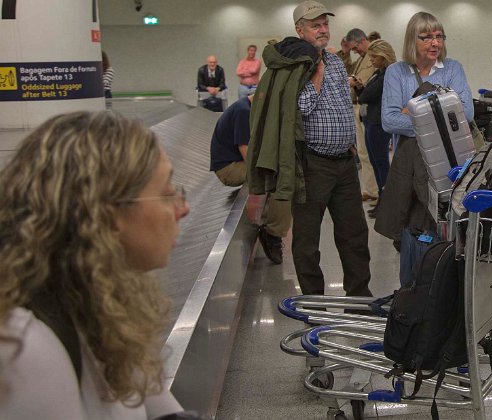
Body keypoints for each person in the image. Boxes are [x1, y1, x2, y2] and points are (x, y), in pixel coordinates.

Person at [0, 111, 190, 419]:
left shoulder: (97, 302)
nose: (183, 207)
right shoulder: (25, 350)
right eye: (167, 194)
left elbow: (162, 410)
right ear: (109, 213)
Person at [376, 11, 482, 250]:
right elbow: (389, 121)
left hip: (450, 166)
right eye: (426, 37)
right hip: (411, 169)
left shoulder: (453, 68)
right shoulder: (397, 72)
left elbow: (466, 114)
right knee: (414, 229)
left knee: (445, 226)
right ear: (412, 41)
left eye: (439, 36)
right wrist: (442, 114)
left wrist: (412, 112)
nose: (435, 43)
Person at [291, 0, 372, 297]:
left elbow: (341, 106)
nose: (323, 30)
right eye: (315, 25)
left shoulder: (337, 61)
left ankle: (359, 297)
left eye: (325, 24)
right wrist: (316, 76)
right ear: (300, 30)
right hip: (314, 164)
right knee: (307, 239)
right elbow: (299, 109)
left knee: (354, 235)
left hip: (345, 163)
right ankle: (313, 300)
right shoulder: (296, 65)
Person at [210, 95, 291, 264]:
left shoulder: (246, 107)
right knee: (281, 178)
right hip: (229, 169)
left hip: (234, 163)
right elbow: (248, 154)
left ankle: (271, 225)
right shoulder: (243, 111)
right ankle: (273, 234)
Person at [356, 39, 396, 219]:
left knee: (381, 164)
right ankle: (383, 200)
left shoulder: (387, 74)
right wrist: (360, 88)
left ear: (383, 56)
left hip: (378, 123)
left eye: (373, 57)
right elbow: (364, 96)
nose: (370, 60)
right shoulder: (378, 73)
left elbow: (367, 95)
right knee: (376, 163)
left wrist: (360, 89)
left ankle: (386, 203)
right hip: (372, 121)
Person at [345, 28, 379, 203]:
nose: (354, 51)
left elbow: (365, 81)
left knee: (371, 151)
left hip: (369, 107)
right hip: (359, 106)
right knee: (363, 152)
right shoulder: (361, 59)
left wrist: (354, 81)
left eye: (354, 48)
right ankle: (371, 190)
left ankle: (378, 191)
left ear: (361, 41)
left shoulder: (374, 55)